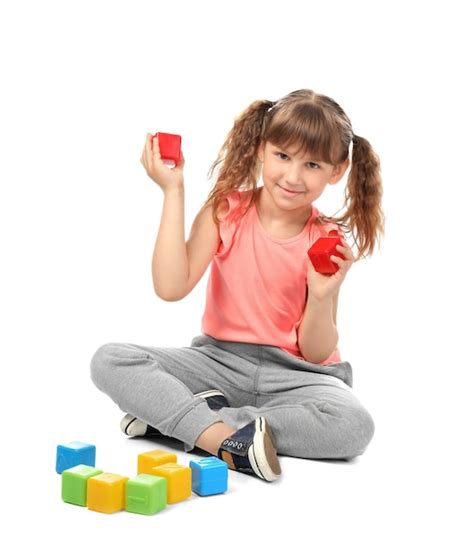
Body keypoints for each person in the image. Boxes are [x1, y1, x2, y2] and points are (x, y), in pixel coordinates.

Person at [90, 89, 385, 483]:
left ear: (337, 171)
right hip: (219, 362)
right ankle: (222, 439)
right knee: (111, 359)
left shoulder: (326, 237)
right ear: (262, 149)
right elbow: (170, 286)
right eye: (283, 156)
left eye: (312, 164)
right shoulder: (226, 211)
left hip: (296, 376)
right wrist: (173, 190)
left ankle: (184, 421)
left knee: (353, 425)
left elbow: (316, 352)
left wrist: (322, 295)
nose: (293, 177)